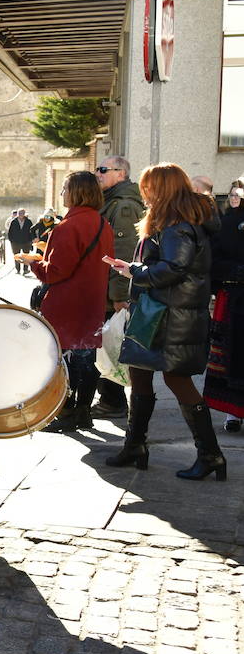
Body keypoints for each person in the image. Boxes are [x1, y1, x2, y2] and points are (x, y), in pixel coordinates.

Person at [104, 163, 225, 481]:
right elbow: (164, 265)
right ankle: (135, 446)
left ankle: (210, 454)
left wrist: (135, 272)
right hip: (161, 314)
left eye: (148, 186)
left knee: (177, 381)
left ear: (163, 188)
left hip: (172, 317)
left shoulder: (177, 224)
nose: (144, 192)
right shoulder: (173, 221)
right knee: (139, 374)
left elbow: (173, 268)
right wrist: (132, 266)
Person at [17, 173, 113, 433]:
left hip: (67, 303)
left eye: (65, 189)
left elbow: (55, 272)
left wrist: (34, 262)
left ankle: (68, 412)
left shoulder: (67, 227)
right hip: (92, 301)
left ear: (76, 193)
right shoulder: (103, 223)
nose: (62, 194)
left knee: (67, 360)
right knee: (87, 358)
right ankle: (83, 412)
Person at [89, 156, 147, 421]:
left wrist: (120, 296)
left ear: (121, 173)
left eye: (103, 170)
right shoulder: (111, 201)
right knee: (106, 341)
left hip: (113, 291)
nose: (98, 173)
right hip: (105, 287)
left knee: (111, 342)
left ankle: (113, 401)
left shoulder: (123, 206)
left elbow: (124, 253)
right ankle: (109, 399)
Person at [207, 182, 244, 433]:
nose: (234, 199)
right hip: (231, 299)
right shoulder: (225, 224)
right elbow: (212, 260)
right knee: (232, 356)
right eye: (232, 194)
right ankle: (233, 413)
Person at [7, 208, 36, 276]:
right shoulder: (13, 221)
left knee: (26, 256)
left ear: (24, 214)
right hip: (15, 242)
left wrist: (31, 240)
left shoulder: (28, 221)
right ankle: (18, 269)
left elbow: (31, 231)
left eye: (22, 213)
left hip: (26, 242)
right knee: (16, 256)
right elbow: (10, 232)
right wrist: (11, 240)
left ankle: (25, 269)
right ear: (17, 214)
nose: (21, 214)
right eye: (19, 213)